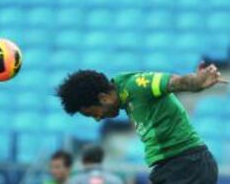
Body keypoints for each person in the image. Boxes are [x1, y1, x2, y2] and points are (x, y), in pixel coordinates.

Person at [56, 62, 226, 184]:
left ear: (103, 97)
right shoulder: (123, 94)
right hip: (171, 167)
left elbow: (176, 82)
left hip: (188, 164)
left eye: (94, 113)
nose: (98, 118)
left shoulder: (137, 84)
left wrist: (197, 82)